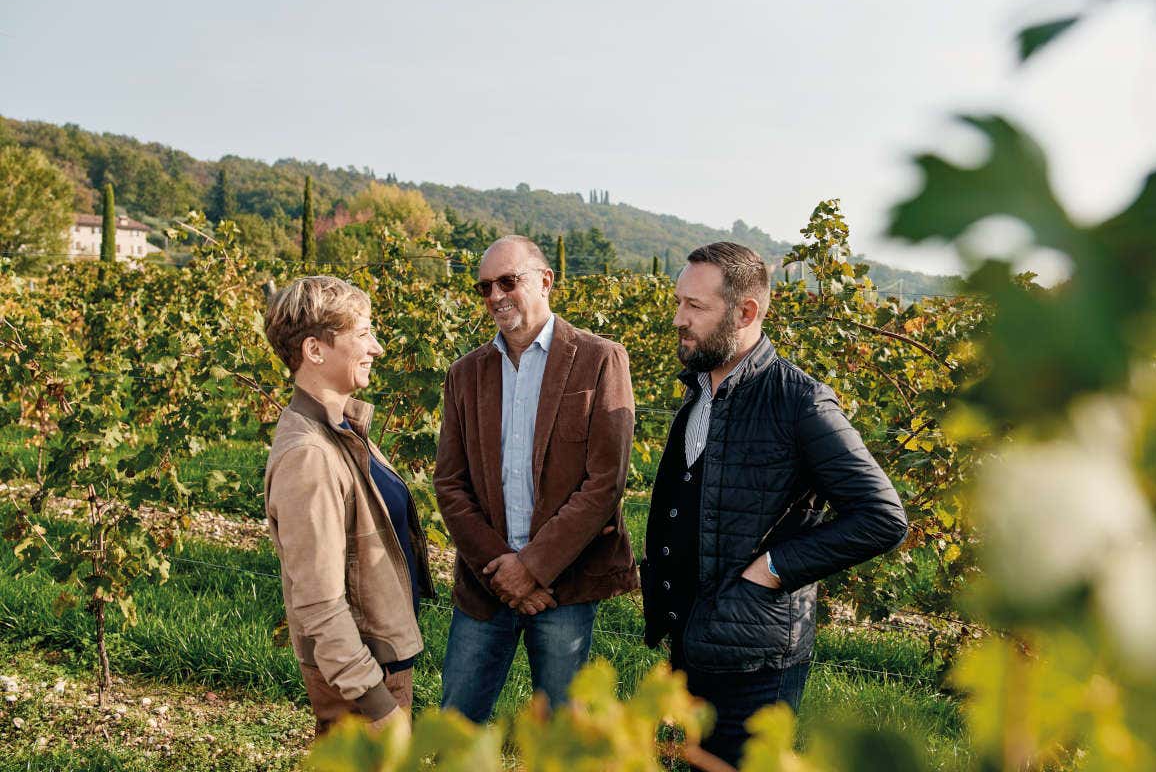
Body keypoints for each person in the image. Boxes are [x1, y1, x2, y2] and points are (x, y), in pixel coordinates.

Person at [640, 242, 908, 767]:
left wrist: (773, 569)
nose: (678, 319)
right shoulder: (698, 394)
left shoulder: (799, 402)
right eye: (679, 303)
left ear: (746, 312)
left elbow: (882, 517)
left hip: (754, 661)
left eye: (695, 306)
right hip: (692, 641)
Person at [435, 235, 637, 722]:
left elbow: (604, 483)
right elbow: (450, 485)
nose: (496, 296)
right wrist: (504, 569)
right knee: (455, 726)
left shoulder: (599, 359)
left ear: (546, 281)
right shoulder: (464, 375)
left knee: (561, 734)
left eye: (508, 281)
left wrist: (533, 569)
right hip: (486, 582)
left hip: (565, 583)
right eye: (485, 288)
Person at [262, 275, 433, 735]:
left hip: (377, 660)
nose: (376, 348)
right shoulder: (309, 455)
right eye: (362, 334)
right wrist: (376, 703)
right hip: (361, 676)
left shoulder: (343, 429)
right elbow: (317, 601)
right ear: (315, 351)